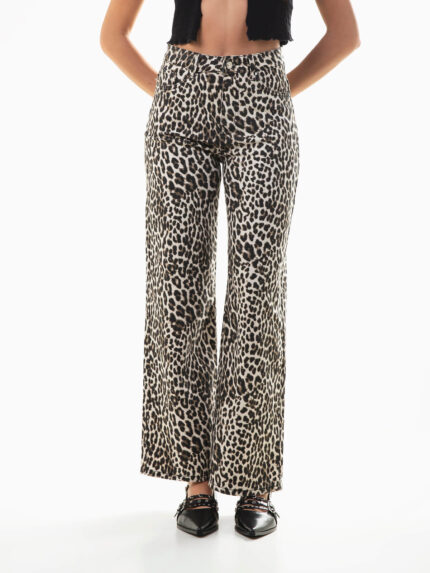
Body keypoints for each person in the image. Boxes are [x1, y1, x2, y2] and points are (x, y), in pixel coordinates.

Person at [100, 0, 360, 539]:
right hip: (180, 103)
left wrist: (279, 91)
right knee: (177, 292)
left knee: (257, 294)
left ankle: (253, 478)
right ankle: (195, 480)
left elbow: (345, 34)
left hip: (262, 104)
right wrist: (171, 94)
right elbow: (112, 35)